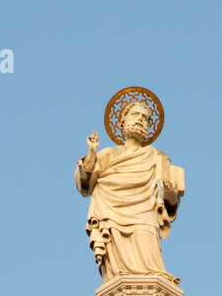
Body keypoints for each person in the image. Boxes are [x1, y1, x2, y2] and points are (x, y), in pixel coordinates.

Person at [75, 102, 184, 279]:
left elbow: (170, 202)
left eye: (145, 118)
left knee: (149, 256)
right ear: (122, 122)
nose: (141, 120)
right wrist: (92, 153)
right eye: (135, 115)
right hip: (111, 212)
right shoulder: (108, 154)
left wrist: (171, 195)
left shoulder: (159, 157)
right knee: (117, 271)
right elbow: (85, 185)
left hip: (144, 214)